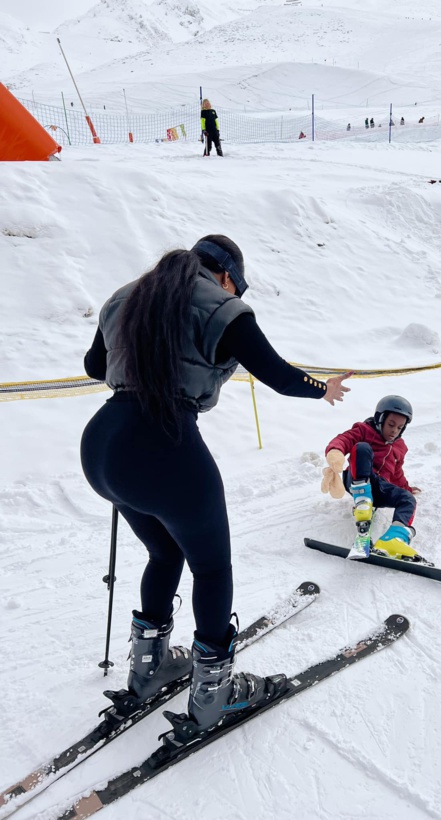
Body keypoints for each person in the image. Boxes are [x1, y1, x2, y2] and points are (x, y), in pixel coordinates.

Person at [81, 235, 352, 740]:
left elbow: (95, 367)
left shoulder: (127, 296)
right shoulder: (223, 307)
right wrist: (323, 388)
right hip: (165, 444)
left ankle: (149, 668)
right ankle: (213, 695)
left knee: (164, 552)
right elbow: (276, 374)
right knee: (210, 566)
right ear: (226, 276)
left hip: (102, 448)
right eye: (235, 285)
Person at [320, 396, 421, 561]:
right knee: (362, 448)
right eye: (391, 425)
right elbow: (344, 440)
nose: (394, 431)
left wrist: (406, 488)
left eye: (400, 427)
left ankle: (393, 539)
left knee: (408, 500)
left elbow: (396, 473)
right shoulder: (364, 431)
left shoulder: (400, 447)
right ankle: (363, 501)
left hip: (380, 488)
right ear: (380, 419)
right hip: (356, 480)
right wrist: (336, 451)